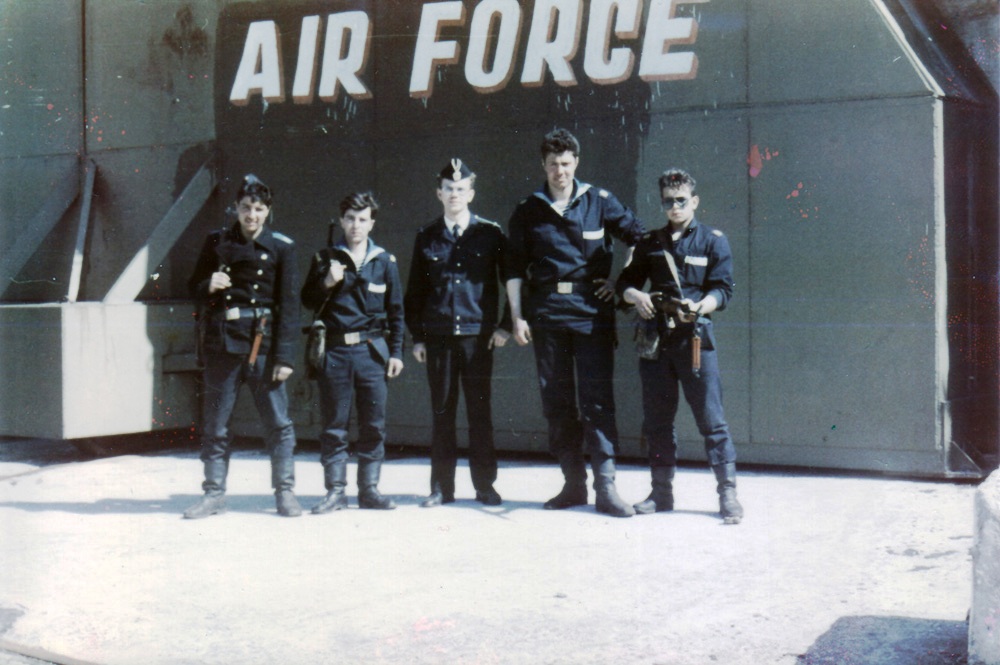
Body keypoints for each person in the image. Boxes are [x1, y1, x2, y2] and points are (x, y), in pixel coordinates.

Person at [506, 129, 646, 518]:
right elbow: (514, 268)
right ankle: (573, 484)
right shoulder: (528, 209)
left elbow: (639, 237)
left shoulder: (598, 200)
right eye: (553, 164)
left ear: (576, 163)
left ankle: (606, 488)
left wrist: (622, 282)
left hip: (591, 313)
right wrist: (516, 316)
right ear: (543, 165)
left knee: (597, 400)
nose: (560, 171)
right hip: (548, 312)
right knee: (557, 401)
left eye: (566, 163)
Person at [617, 168, 744, 524]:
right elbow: (624, 284)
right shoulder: (650, 243)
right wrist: (637, 296)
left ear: (694, 201)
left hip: (695, 340)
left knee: (712, 420)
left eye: (681, 200)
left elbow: (723, 290)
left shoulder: (713, 241)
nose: (674, 207)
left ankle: (728, 494)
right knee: (657, 422)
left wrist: (700, 306)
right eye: (668, 201)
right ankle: (661, 493)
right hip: (657, 341)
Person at [184, 174, 302, 519]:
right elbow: (192, 287)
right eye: (247, 207)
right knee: (216, 424)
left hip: (264, 346)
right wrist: (209, 284)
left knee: (278, 423)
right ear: (236, 207)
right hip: (224, 343)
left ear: (268, 211)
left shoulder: (282, 247)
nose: (252, 215)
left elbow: (289, 307)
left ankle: (285, 492)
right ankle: (214, 494)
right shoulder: (217, 242)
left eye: (259, 209)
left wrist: (285, 357)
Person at [404, 159, 511, 507]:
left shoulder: (490, 233)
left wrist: (506, 326)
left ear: (471, 194)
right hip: (438, 338)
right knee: (442, 413)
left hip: (477, 338)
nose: (454, 194)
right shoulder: (427, 235)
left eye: (461, 189)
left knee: (480, 413)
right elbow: (415, 292)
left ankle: (485, 485)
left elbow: (512, 280)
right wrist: (418, 337)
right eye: (448, 189)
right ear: (439, 193)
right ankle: (441, 488)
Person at [301, 192, 405, 513]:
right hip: (336, 352)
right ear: (341, 220)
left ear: (371, 223)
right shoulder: (325, 258)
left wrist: (396, 353)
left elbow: (397, 312)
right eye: (350, 218)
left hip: (372, 353)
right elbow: (307, 300)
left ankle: (369, 490)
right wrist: (327, 282)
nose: (356, 225)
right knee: (334, 425)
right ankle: (335, 491)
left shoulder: (385, 262)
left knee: (373, 425)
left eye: (362, 219)